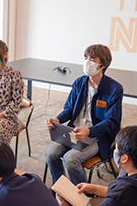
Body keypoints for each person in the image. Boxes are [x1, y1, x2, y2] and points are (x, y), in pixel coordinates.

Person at [46, 44, 124, 185]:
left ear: (103, 64)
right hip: (73, 132)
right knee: (51, 154)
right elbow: (69, 109)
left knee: (71, 159)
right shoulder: (79, 83)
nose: (87, 62)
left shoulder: (114, 89)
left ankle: (81, 195)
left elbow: (112, 121)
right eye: (86, 58)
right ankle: (60, 187)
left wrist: (88, 131)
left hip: (97, 136)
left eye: (92, 59)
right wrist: (57, 119)